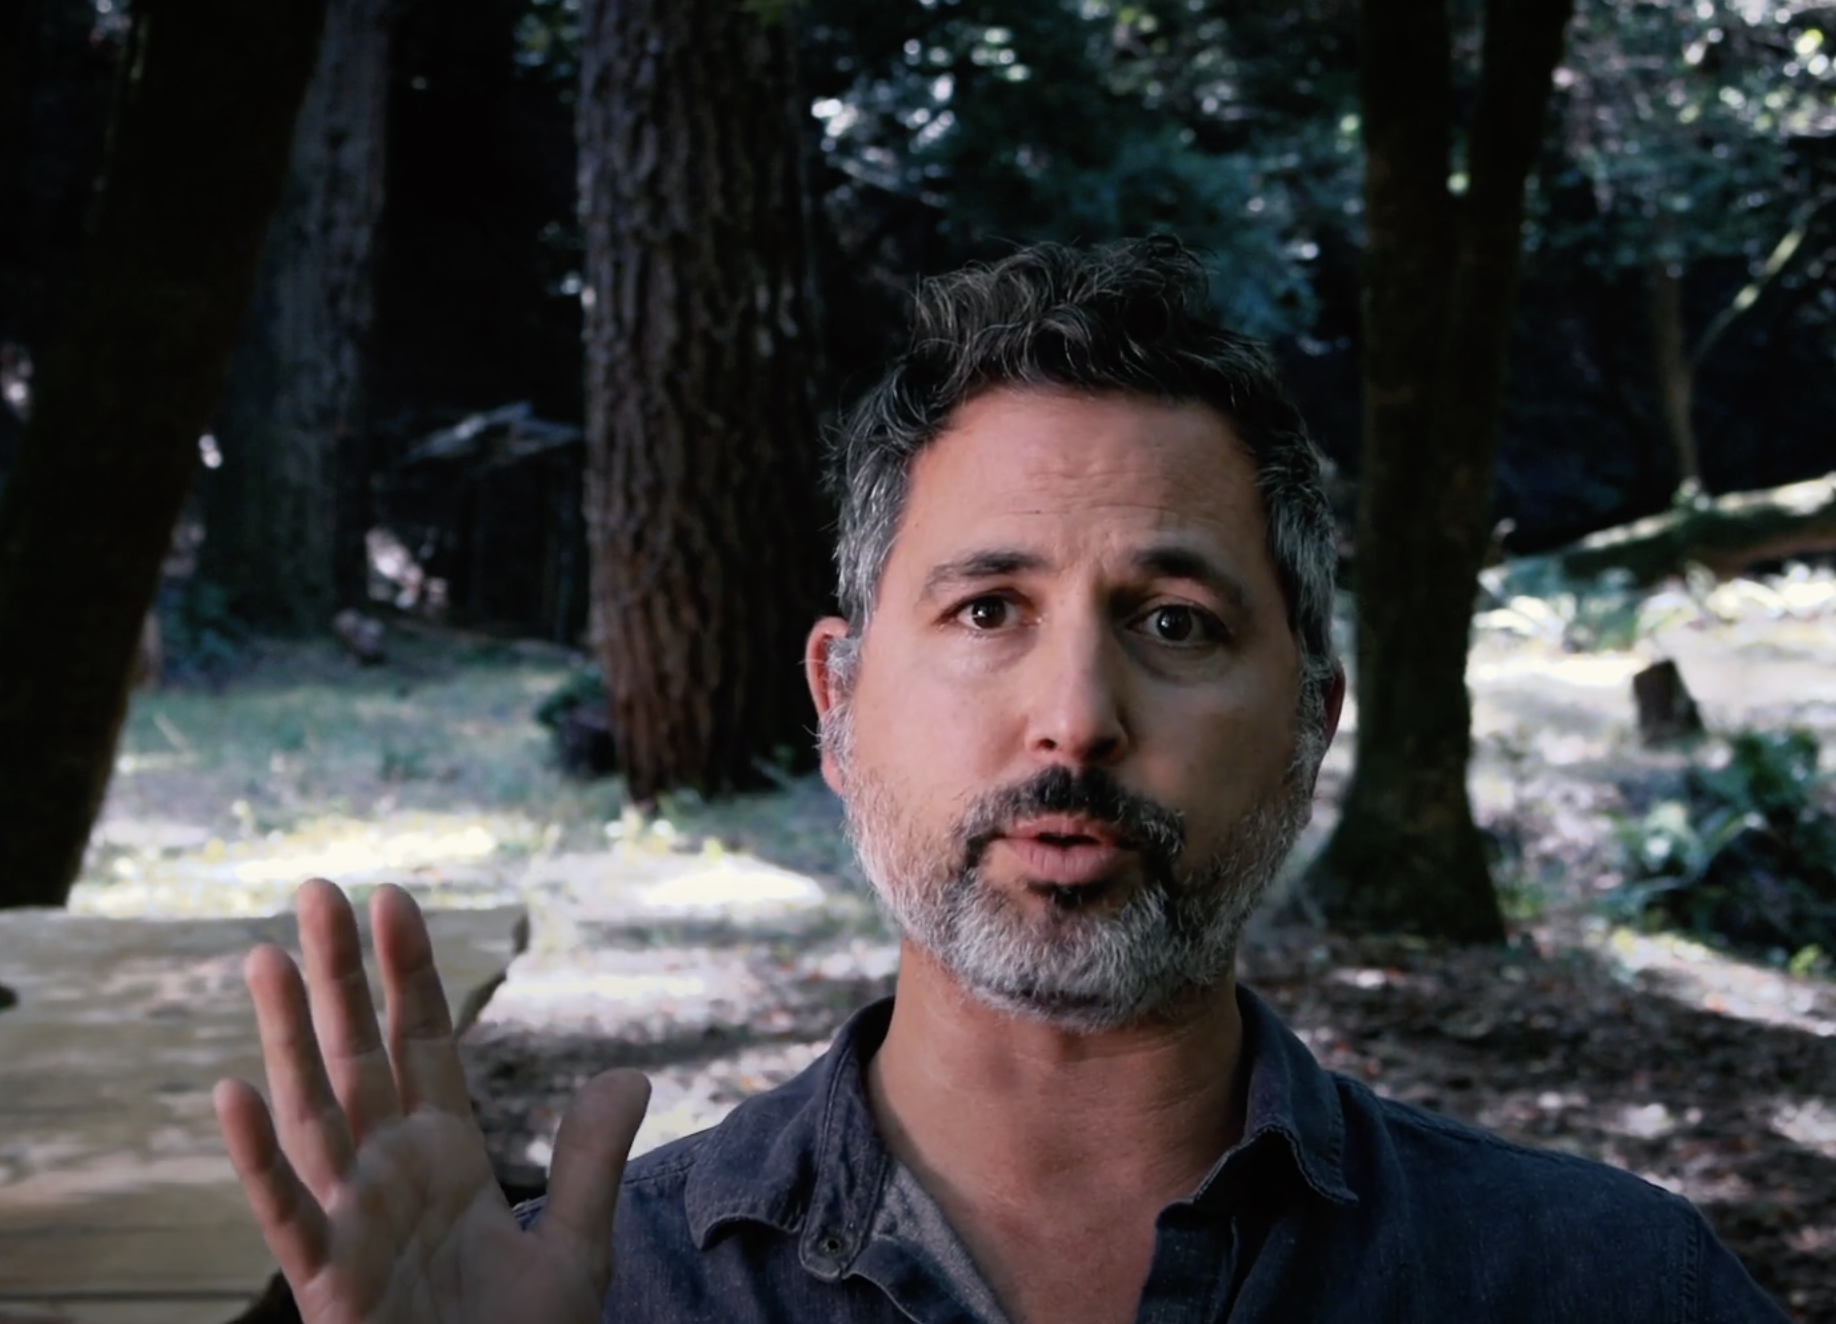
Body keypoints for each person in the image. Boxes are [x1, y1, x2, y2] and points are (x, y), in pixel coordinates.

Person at [214, 237, 1787, 1323]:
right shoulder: (607, 1298)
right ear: (839, 703)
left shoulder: (1601, 1287)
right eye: (986, 612)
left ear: (1312, 724)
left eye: (1175, 623)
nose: (1076, 719)